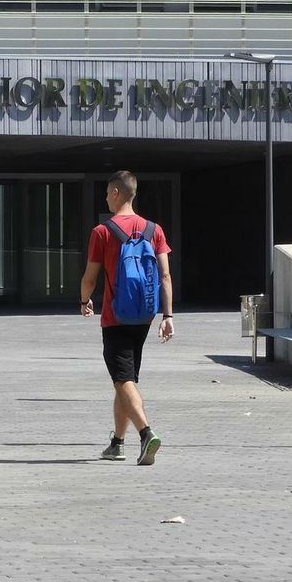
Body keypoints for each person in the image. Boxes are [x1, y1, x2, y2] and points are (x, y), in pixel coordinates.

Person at [78, 171, 174, 466]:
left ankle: (146, 434)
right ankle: (117, 443)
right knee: (125, 380)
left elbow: (90, 278)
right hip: (144, 316)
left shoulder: (102, 232)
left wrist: (84, 301)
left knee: (123, 380)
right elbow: (165, 275)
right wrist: (167, 315)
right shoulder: (153, 229)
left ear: (118, 193)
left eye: (108, 192)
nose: (105, 197)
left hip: (115, 317)